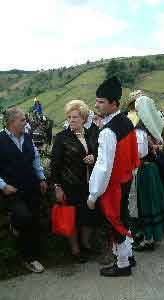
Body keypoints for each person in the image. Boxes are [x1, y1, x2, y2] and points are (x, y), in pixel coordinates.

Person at [87, 76, 140, 277]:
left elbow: (102, 168)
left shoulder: (108, 132)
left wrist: (93, 195)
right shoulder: (126, 121)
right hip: (126, 180)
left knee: (115, 222)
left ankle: (123, 263)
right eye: (97, 100)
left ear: (114, 103)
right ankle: (129, 254)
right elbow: (137, 152)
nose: (96, 105)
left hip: (113, 186)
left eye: (101, 102)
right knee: (123, 219)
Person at [51, 100, 99, 263]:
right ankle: (75, 250)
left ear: (84, 118)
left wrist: (94, 157)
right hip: (70, 185)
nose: (71, 120)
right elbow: (55, 164)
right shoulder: (61, 138)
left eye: (75, 117)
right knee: (72, 218)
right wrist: (57, 187)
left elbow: (97, 152)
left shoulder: (91, 133)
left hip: (89, 184)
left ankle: (85, 244)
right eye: (69, 117)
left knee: (89, 215)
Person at [0, 107, 48, 273]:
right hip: (12, 190)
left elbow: (35, 159)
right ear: (12, 122)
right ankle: (29, 258)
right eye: (22, 120)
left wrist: (41, 178)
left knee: (34, 219)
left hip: (31, 186)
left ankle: (33, 255)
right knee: (23, 217)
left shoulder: (27, 137)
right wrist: (3, 185)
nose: (25, 122)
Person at [132, 95, 164, 250]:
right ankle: (160, 231)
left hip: (146, 169)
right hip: (156, 168)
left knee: (147, 203)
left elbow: (140, 153)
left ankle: (148, 239)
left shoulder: (140, 128)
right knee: (157, 199)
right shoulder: (155, 124)